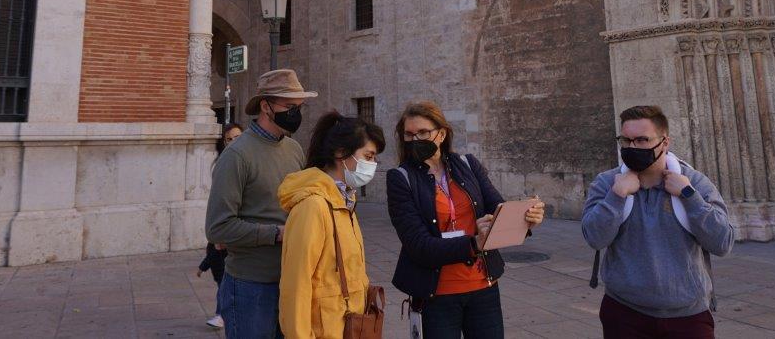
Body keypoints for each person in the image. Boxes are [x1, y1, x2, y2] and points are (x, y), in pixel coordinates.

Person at [386, 101, 545, 339]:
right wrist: (474, 243)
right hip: (437, 294)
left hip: (483, 288)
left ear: (441, 134)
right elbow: (418, 246)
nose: (414, 140)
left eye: (422, 132)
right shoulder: (400, 178)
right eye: (408, 134)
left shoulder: (468, 165)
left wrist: (526, 218)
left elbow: (497, 211)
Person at [582, 105, 735, 339]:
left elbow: (723, 242)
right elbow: (594, 238)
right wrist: (617, 196)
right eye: (626, 140)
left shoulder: (695, 183)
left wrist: (688, 196)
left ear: (664, 142)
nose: (633, 147)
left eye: (642, 140)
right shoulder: (607, 183)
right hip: (624, 313)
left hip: (688, 316)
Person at [205, 69, 316, 339]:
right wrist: (276, 234)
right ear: (265, 106)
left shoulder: (294, 149)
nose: (296, 113)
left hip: (292, 280)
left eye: (299, 107)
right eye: (289, 106)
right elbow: (218, 229)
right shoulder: (236, 155)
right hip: (249, 286)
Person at [278, 111, 386, 338]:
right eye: (368, 156)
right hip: (326, 329)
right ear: (340, 153)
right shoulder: (313, 206)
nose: (372, 165)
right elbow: (296, 285)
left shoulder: (345, 202)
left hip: (348, 325)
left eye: (374, 158)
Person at [198, 122, 244, 329]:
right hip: (227, 231)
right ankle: (223, 313)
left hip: (242, 229)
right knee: (226, 278)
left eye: (238, 137)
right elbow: (218, 202)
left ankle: (224, 313)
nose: (234, 142)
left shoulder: (246, 160)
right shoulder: (221, 164)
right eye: (229, 139)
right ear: (223, 142)